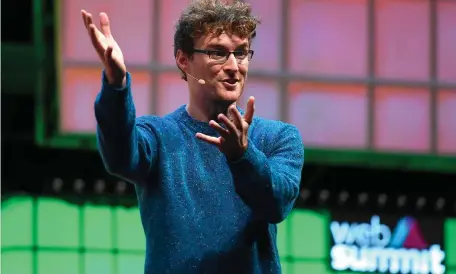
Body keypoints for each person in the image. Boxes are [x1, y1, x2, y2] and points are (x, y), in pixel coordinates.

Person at [82, 0, 304, 273]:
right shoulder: (158, 137)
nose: (235, 66)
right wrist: (117, 84)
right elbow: (119, 158)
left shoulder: (278, 138)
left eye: (242, 53)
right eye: (218, 53)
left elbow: (276, 205)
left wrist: (243, 157)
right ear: (183, 60)